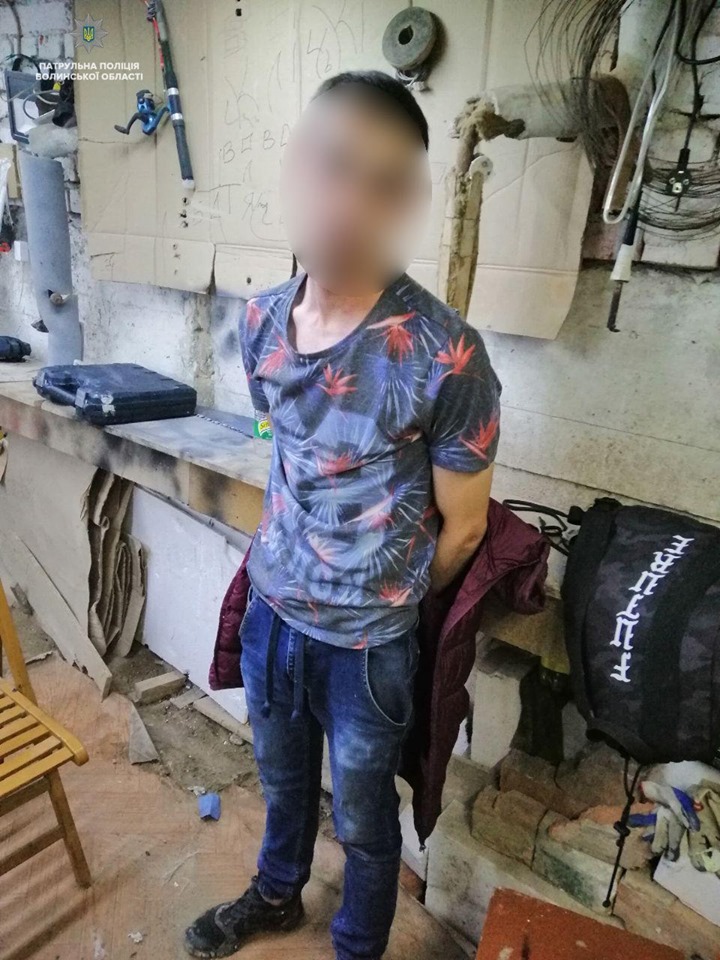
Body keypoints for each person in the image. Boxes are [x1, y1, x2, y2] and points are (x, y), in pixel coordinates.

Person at [185, 70, 501, 960]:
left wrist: (384, 598)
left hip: (366, 648)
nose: (344, 202)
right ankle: (276, 894)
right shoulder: (259, 322)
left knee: (364, 821)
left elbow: (466, 529)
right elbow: (285, 447)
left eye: (379, 180)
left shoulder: (447, 354)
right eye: (329, 166)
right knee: (283, 787)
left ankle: (358, 946)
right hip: (271, 616)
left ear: (404, 202)